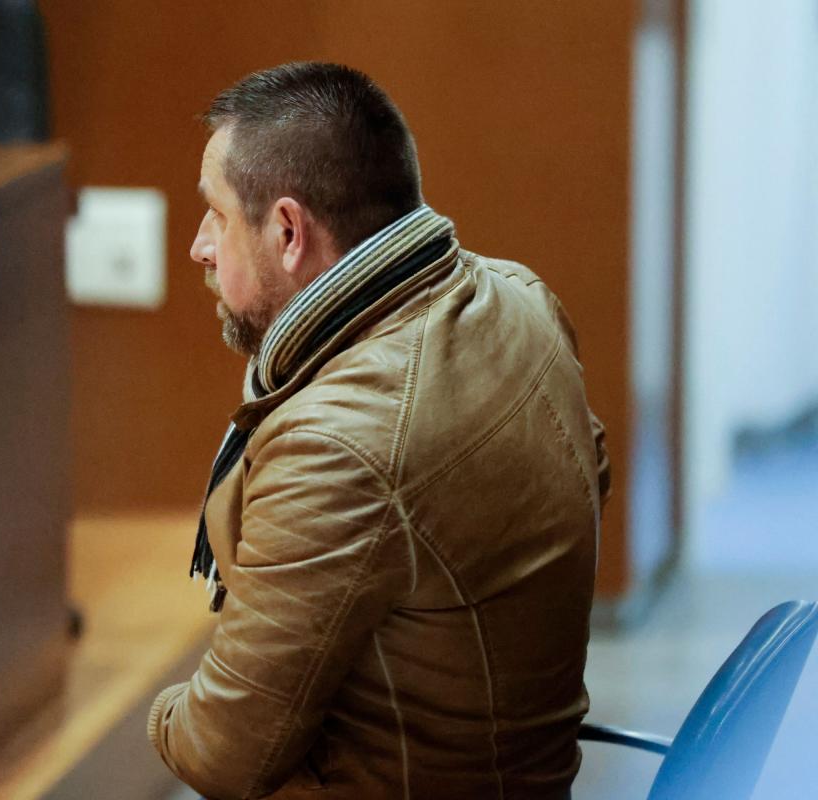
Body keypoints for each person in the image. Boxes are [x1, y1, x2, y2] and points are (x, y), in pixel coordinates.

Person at [147, 62, 611, 800]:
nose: (201, 246)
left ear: (288, 232)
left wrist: (159, 710)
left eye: (218, 215)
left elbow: (220, 755)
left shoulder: (335, 443)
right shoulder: (519, 298)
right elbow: (588, 474)